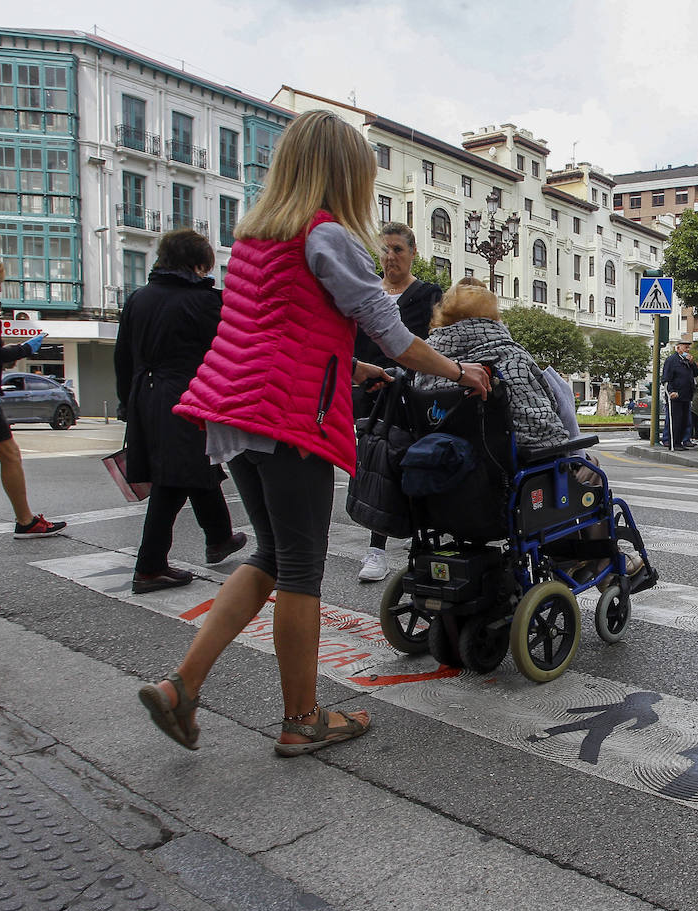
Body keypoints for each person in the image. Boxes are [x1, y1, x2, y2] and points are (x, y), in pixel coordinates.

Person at [137, 110, 491, 758]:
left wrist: (353, 367)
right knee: (301, 566)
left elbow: (276, 327)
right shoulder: (326, 237)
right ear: (343, 174)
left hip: (234, 409)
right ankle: (302, 717)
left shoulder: (255, 237)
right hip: (287, 414)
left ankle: (182, 686)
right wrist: (460, 370)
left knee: (269, 555)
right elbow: (395, 334)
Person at [114, 230, 247, 594]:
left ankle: (219, 537)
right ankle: (150, 566)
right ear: (198, 263)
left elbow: (122, 356)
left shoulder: (138, 299)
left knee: (193, 465)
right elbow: (231, 351)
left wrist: (128, 401)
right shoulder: (204, 302)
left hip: (146, 394)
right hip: (187, 395)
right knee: (172, 481)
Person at [355, 222, 444, 583]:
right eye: (385, 250)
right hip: (365, 393)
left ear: (412, 254)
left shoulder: (427, 294)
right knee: (370, 467)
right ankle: (380, 542)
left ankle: (380, 549)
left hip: (407, 393)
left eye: (398, 250)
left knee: (395, 465)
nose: (390, 257)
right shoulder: (365, 291)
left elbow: (432, 341)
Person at [418, 277, 566, 448]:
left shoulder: (425, 360)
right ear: (493, 317)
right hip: (502, 466)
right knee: (590, 466)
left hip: (436, 459)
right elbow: (541, 428)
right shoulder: (513, 358)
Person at [0, 256, 67, 539]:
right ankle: (25, 521)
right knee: (11, 455)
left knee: (10, 455)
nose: (1, 283)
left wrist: (6, 357)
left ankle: (26, 520)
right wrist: (26, 349)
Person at [660, 339, 697, 448]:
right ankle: (673, 442)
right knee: (676, 420)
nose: (688, 349)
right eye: (685, 347)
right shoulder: (672, 360)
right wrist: (671, 391)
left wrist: (692, 363)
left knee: (684, 420)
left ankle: (680, 441)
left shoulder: (686, 361)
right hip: (676, 395)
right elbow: (666, 378)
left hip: (686, 395)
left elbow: (695, 373)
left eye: (688, 347)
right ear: (678, 348)